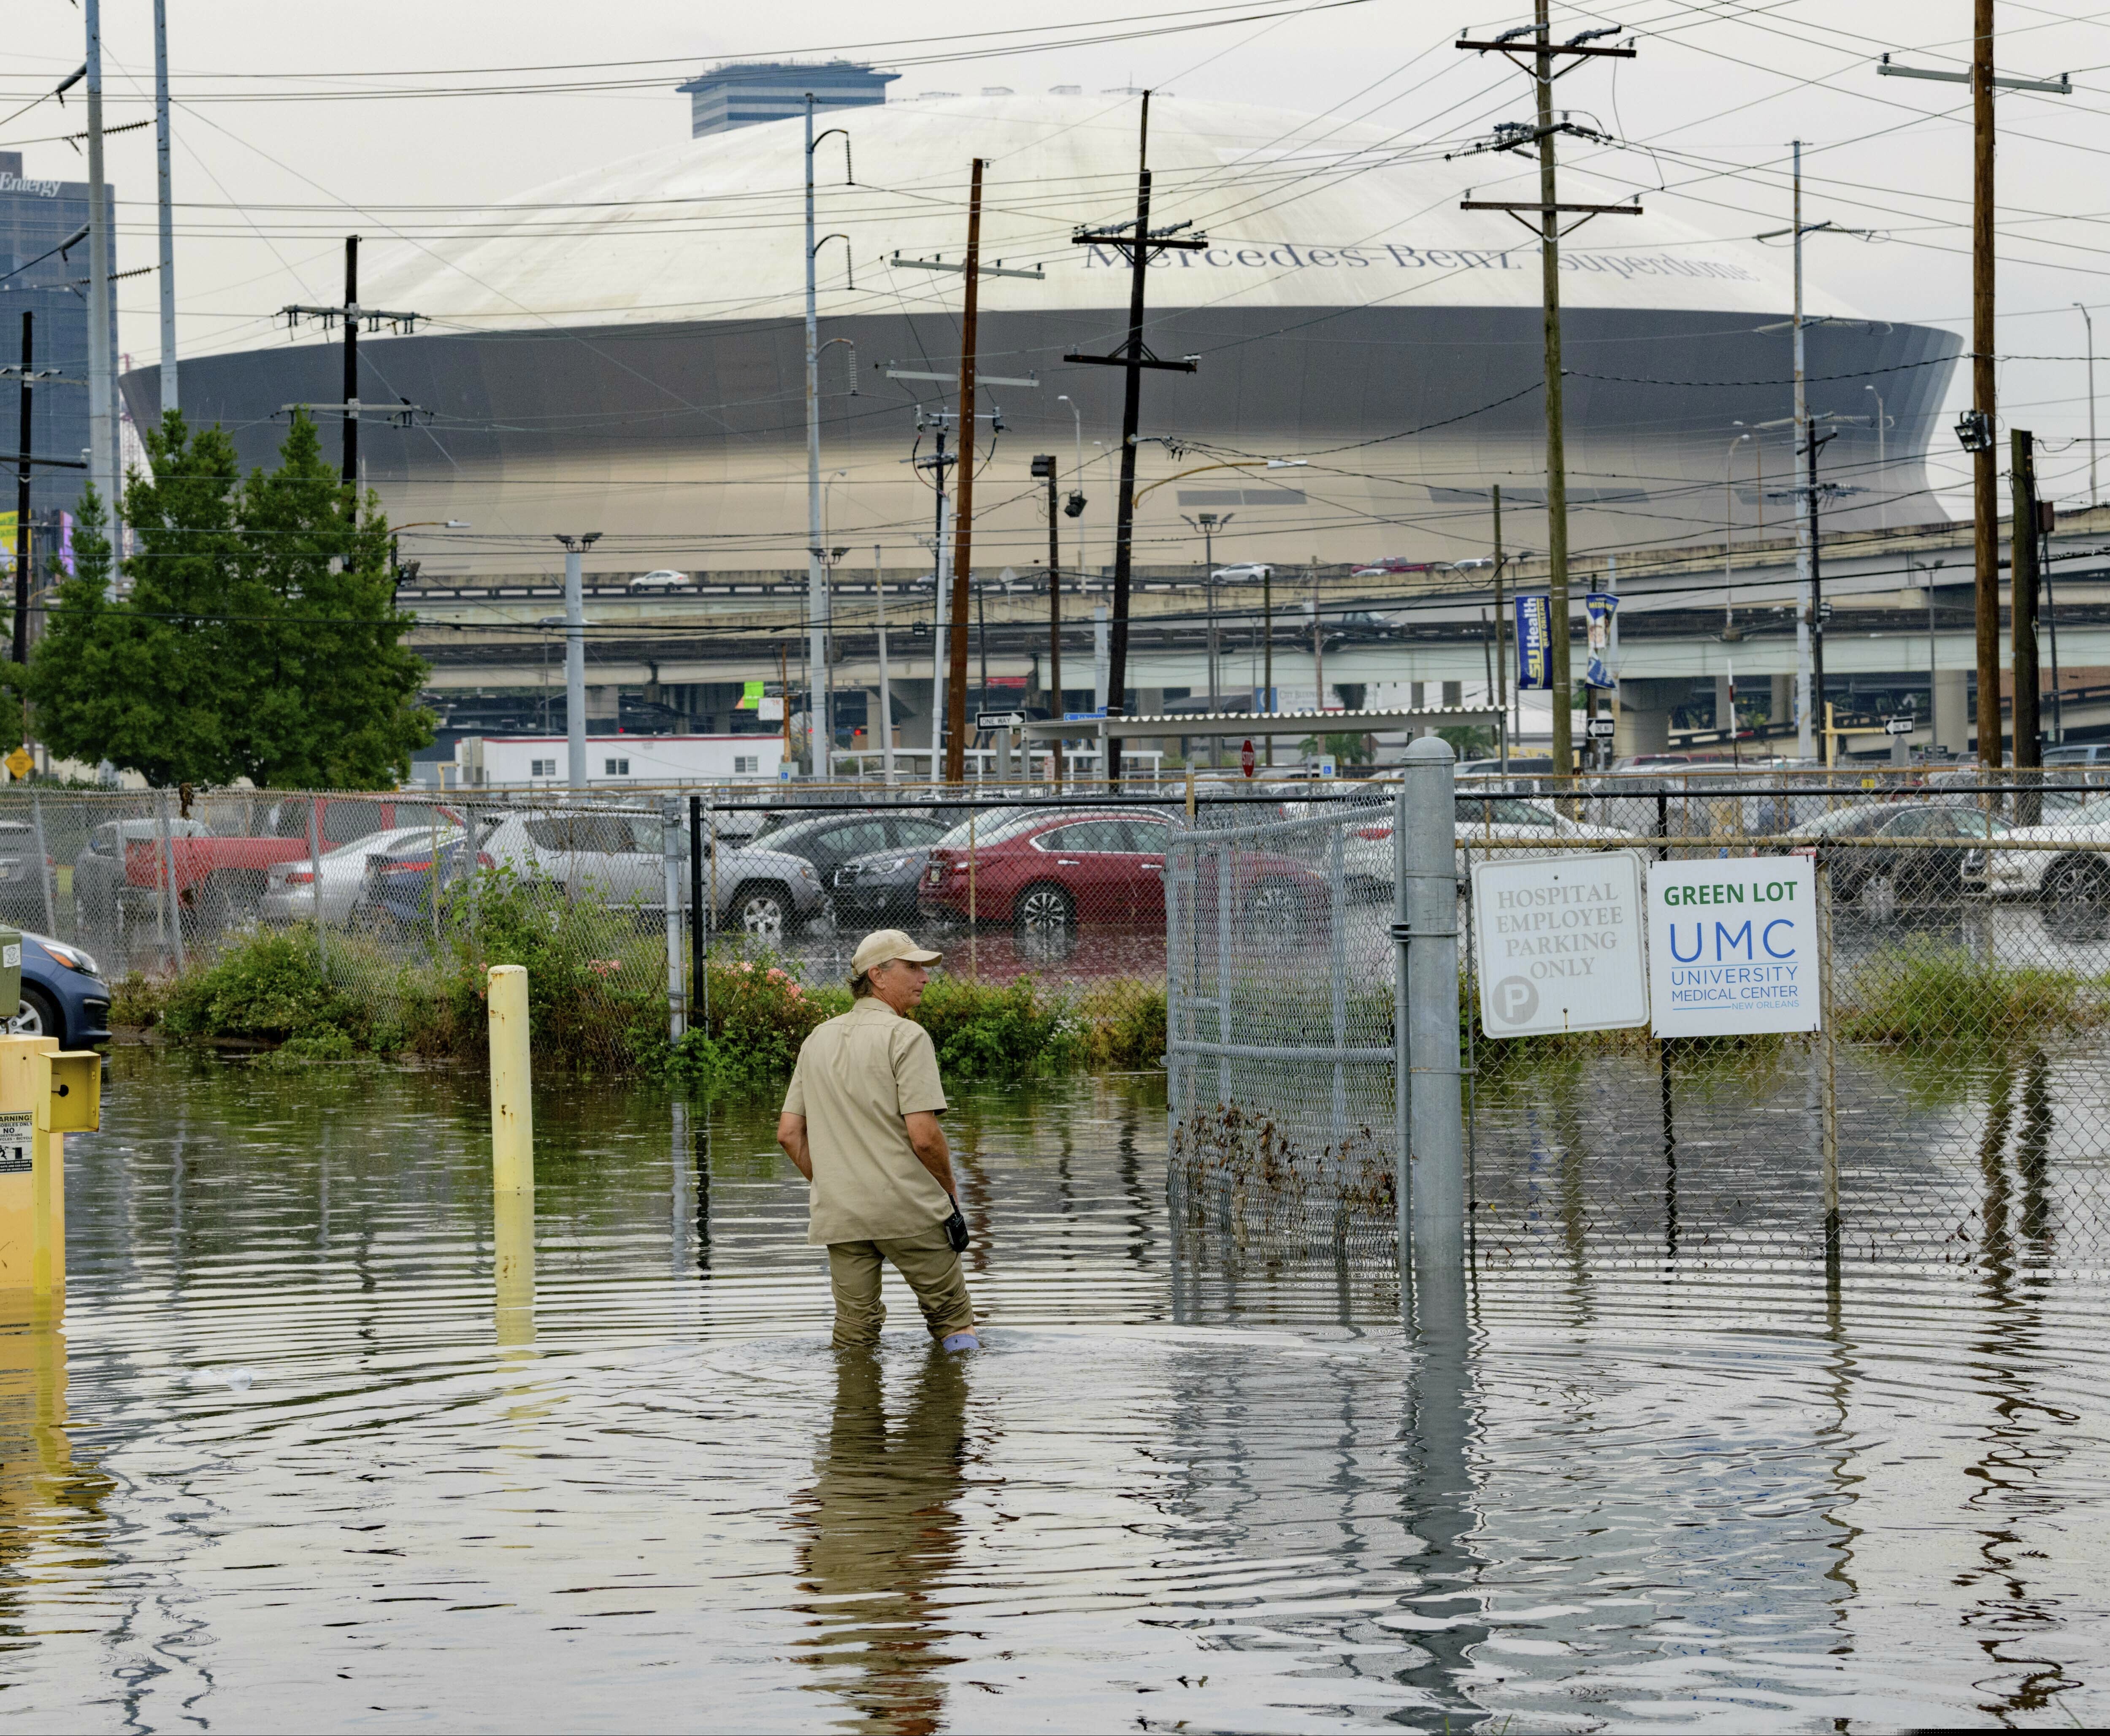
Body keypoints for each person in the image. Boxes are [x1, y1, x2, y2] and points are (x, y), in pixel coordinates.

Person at [777, 929, 979, 1352]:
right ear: (878, 975)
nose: (925, 977)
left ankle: (855, 1413)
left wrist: (834, 1184)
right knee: (952, 1321)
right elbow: (924, 1138)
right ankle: (955, 1404)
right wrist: (949, 1192)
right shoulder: (906, 1036)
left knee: (854, 1336)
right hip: (909, 1209)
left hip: (841, 1214)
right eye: (912, 967)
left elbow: (789, 1134)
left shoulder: (817, 1039)